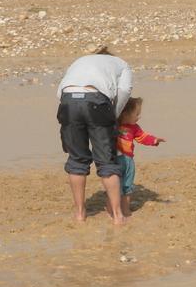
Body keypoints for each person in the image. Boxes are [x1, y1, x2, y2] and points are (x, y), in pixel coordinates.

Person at [56, 46, 133, 225]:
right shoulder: (122, 64)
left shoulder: (80, 61)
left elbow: (61, 91)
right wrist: (113, 115)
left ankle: (80, 214)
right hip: (96, 100)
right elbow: (125, 91)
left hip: (68, 101)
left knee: (76, 159)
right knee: (106, 161)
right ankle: (118, 215)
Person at [115, 97, 165, 219]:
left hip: (128, 161)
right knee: (115, 186)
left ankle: (125, 209)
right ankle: (114, 209)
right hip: (114, 160)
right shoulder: (114, 125)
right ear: (125, 113)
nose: (139, 117)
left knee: (127, 185)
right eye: (137, 114)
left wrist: (154, 140)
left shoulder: (134, 128)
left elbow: (142, 137)